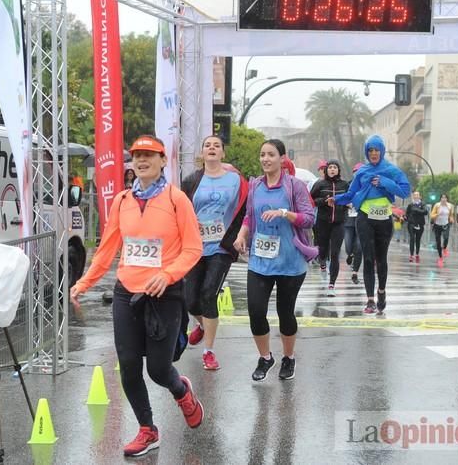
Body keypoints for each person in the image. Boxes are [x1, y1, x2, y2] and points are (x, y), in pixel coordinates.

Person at [70, 135, 204, 457]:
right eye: (136, 156)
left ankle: (181, 389)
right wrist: (84, 282)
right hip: (126, 292)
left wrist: (168, 274)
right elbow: (108, 248)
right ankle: (147, 429)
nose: (141, 160)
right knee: (129, 365)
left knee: (158, 369)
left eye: (149, 155)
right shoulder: (122, 200)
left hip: (164, 293)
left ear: (162, 161)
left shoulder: (176, 200)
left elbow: (193, 248)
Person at [233, 139, 317, 382]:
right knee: (256, 312)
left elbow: (309, 219)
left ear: (282, 159)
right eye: (262, 155)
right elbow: (250, 217)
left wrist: (284, 213)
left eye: (271, 154)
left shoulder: (295, 186)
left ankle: (288, 358)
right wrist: (241, 235)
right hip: (260, 260)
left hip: (290, 262)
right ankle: (265, 357)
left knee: (285, 312)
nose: (265, 159)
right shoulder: (256, 185)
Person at [181, 135, 248, 370]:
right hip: (196, 246)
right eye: (207, 145)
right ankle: (201, 324)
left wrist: (240, 236)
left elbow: (245, 210)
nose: (212, 148)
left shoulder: (236, 180)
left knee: (209, 293)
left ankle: (209, 351)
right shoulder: (191, 180)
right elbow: (182, 210)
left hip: (222, 246)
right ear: (202, 153)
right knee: (190, 300)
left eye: (216, 145)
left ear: (222, 153)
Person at [329, 135, 410, 315]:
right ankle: (370, 299)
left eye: (376, 150)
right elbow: (351, 194)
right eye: (370, 150)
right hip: (365, 218)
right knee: (367, 258)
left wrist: (384, 182)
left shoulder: (391, 170)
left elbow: (405, 191)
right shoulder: (362, 172)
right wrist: (336, 199)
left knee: (381, 260)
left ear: (382, 151)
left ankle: (381, 291)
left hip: (384, 220)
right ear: (367, 152)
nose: (373, 153)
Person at [310, 160, 349, 295]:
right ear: (326, 170)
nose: (332, 169)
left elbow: (350, 198)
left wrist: (346, 203)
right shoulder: (320, 184)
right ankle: (322, 266)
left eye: (335, 167)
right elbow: (310, 200)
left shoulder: (344, 185)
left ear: (338, 170)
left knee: (335, 253)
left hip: (339, 222)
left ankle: (332, 285)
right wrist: (323, 201)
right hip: (323, 222)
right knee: (323, 249)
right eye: (330, 167)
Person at [344, 162, 364, 284]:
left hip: (362, 220)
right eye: (356, 172)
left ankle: (355, 272)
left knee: (359, 246)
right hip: (349, 220)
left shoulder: (367, 186)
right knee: (348, 244)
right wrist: (346, 203)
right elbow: (342, 197)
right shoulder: (347, 185)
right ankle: (350, 254)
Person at [430, 193, 454, 267]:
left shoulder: (450, 206)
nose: (444, 199)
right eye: (442, 198)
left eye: (445, 198)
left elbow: (451, 215)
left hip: (446, 224)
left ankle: (444, 248)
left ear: (447, 199)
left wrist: (451, 219)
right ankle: (440, 258)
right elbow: (431, 215)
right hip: (437, 225)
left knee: (446, 238)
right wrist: (437, 214)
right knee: (438, 242)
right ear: (440, 199)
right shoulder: (437, 205)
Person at [404, 191, 427, 263]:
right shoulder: (410, 205)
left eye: (417, 195)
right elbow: (407, 214)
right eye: (415, 195)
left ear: (420, 196)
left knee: (418, 239)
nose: (416, 196)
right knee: (412, 238)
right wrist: (406, 218)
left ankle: (417, 253)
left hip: (420, 224)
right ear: (413, 196)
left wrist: (416, 210)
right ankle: (411, 255)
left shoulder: (423, 204)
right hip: (411, 224)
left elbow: (425, 212)